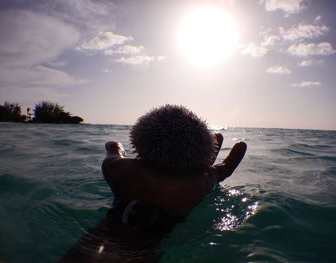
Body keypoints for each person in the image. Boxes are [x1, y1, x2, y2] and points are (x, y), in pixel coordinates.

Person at [59, 105, 246, 263]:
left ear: (140, 138)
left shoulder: (119, 168)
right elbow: (222, 170)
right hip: (153, 246)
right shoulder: (204, 180)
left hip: (98, 240)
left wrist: (113, 148)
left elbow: (113, 148)